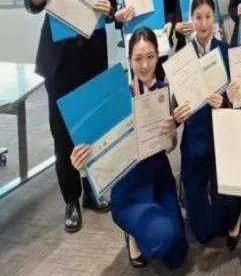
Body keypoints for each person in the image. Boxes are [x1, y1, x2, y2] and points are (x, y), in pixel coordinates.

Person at [24, 0, 135, 233]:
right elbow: (32, 3)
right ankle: (70, 200)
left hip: (90, 60)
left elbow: (113, 13)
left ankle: (90, 190)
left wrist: (113, 12)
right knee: (62, 133)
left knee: (91, 129)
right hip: (59, 60)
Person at [69, 28, 188, 269]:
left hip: (159, 177)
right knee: (161, 237)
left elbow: (170, 147)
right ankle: (131, 230)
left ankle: (145, 226)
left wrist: (170, 135)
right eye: (138, 58)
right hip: (129, 186)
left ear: (158, 55)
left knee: (177, 256)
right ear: (129, 60)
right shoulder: (116, 98)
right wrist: (80, 161)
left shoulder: (164, 91)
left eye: (150, 57)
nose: (144, 65)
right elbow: (96, 144)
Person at [175, 0, 241, 248]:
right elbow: (174, 106)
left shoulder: (226, 51)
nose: (203, 24)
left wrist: (225, 102)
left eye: (208, 17)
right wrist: (177, 113)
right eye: (198, 17)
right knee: (203, 233)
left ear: (215, 18)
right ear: (191, 19)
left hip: (221, 138)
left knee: (222, 224)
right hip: (194, 140)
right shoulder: (183, 57)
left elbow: (238, 102)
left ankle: (231, 211)